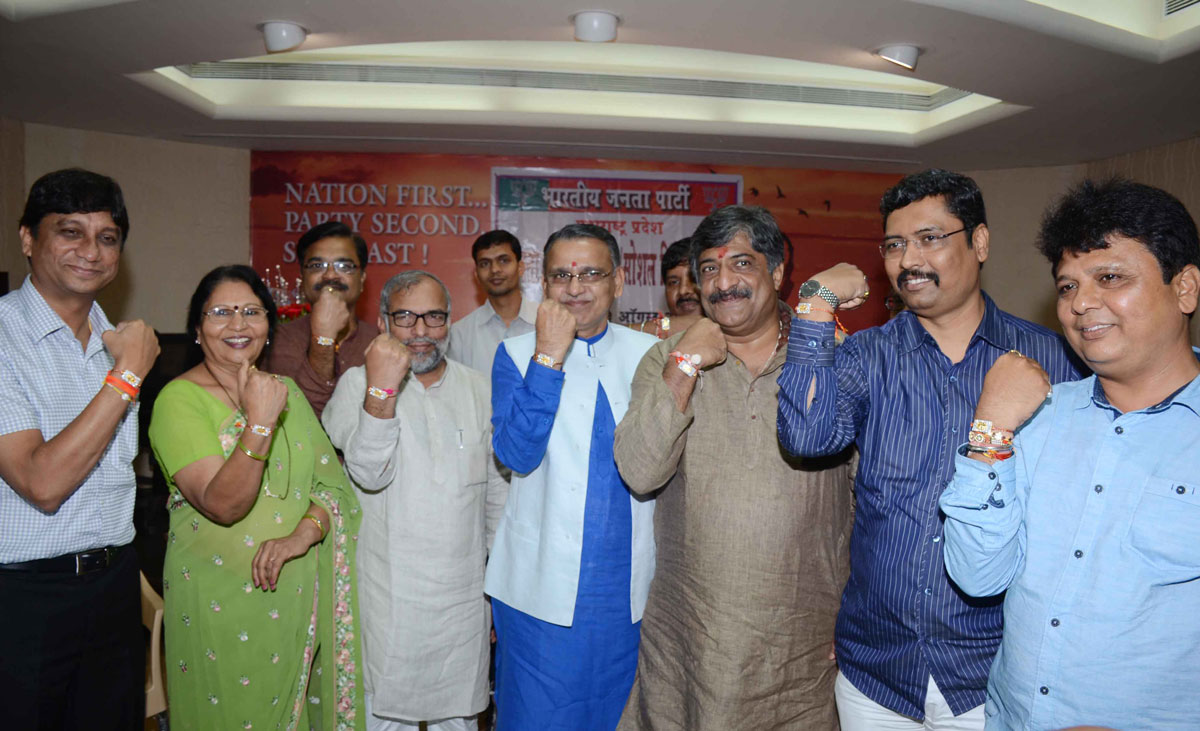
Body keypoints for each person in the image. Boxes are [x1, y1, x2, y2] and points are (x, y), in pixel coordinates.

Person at [776, 169, 1082, 730]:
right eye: (895, 245)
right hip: (878, 674)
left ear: (980, 242)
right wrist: (817, 304)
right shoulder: (867, 356)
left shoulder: (1054, 362)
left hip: (994, 674)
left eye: (929, 238)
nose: (908, 259)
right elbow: (806, 436)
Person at [940, 179, 1200, 730]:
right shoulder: (1040, 416)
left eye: (1110, 278)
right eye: (1067, 286)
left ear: (1185, 289)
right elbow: (978, 574)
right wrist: (990, 427)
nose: (1080, 304)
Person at [614, 206, 854, 730]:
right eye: (709, 269)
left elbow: (870, 501)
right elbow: (639, 470)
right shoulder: (668, 359)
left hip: (802, 641)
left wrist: (862, 614)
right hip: (690, 637)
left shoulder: (835, 358)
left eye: (741, 264)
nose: (723, 283)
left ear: (777, 272)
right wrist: (686, 365)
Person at [148, 265, 364, 731]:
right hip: (219, 601)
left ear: (269, 324)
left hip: (293, 597)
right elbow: (223, 504)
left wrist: (300, 537)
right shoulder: (178, 400)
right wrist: (260, 423)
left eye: (252, 311)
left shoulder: (287, 393)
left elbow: (333, 488)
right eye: (221, 313)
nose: (238, 324)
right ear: (197, 327)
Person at [0, 168, 159, 731]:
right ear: (28, 238)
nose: (91, 251)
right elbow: (41, 483)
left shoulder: (119, 340)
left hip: (114, 587)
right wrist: (128, 376)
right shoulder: (4, 338)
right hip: (23, 596)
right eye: (70, 232)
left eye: (107, 237)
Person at [484, 223, 659, 729]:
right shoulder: (516, 354)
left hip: (628, 593)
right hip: (539, 587)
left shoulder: (651, 355)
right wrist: (548, 356)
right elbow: (516, 454)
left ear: (618, 281)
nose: (575, 287)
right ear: (544, 285)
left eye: (591, 274)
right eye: (561, 275)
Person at [323, 270, 508, 731]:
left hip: (462, 600)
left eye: (434, 317)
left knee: (459, 718)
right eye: (405, 317)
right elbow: (369, 472)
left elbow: (497, 500)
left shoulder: (480, 389)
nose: (421, 331)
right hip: (388, 599)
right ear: (383, 321)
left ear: (450, 321)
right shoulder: (356, 386)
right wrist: (382, 389)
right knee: (382, 714)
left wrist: (498, 591)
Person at [266, 220, 379, 418]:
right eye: (317, 265)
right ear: (303, 277)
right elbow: (302, 417)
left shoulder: (379, 342)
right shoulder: (280, 340)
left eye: (344, 266)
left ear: (362, 279)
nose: (330, 275)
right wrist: (323, 338)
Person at [448, 229, 537, 374]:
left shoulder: (548, 323)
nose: (495, 269)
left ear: (520, 268)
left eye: (504, 260)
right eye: (485, 264)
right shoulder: (459, 335)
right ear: (476, 275)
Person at [634, 237, 704, 338]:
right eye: (674, 282)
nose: (683, 290)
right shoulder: (649, 343)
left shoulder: (726, 329)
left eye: (694, 280)